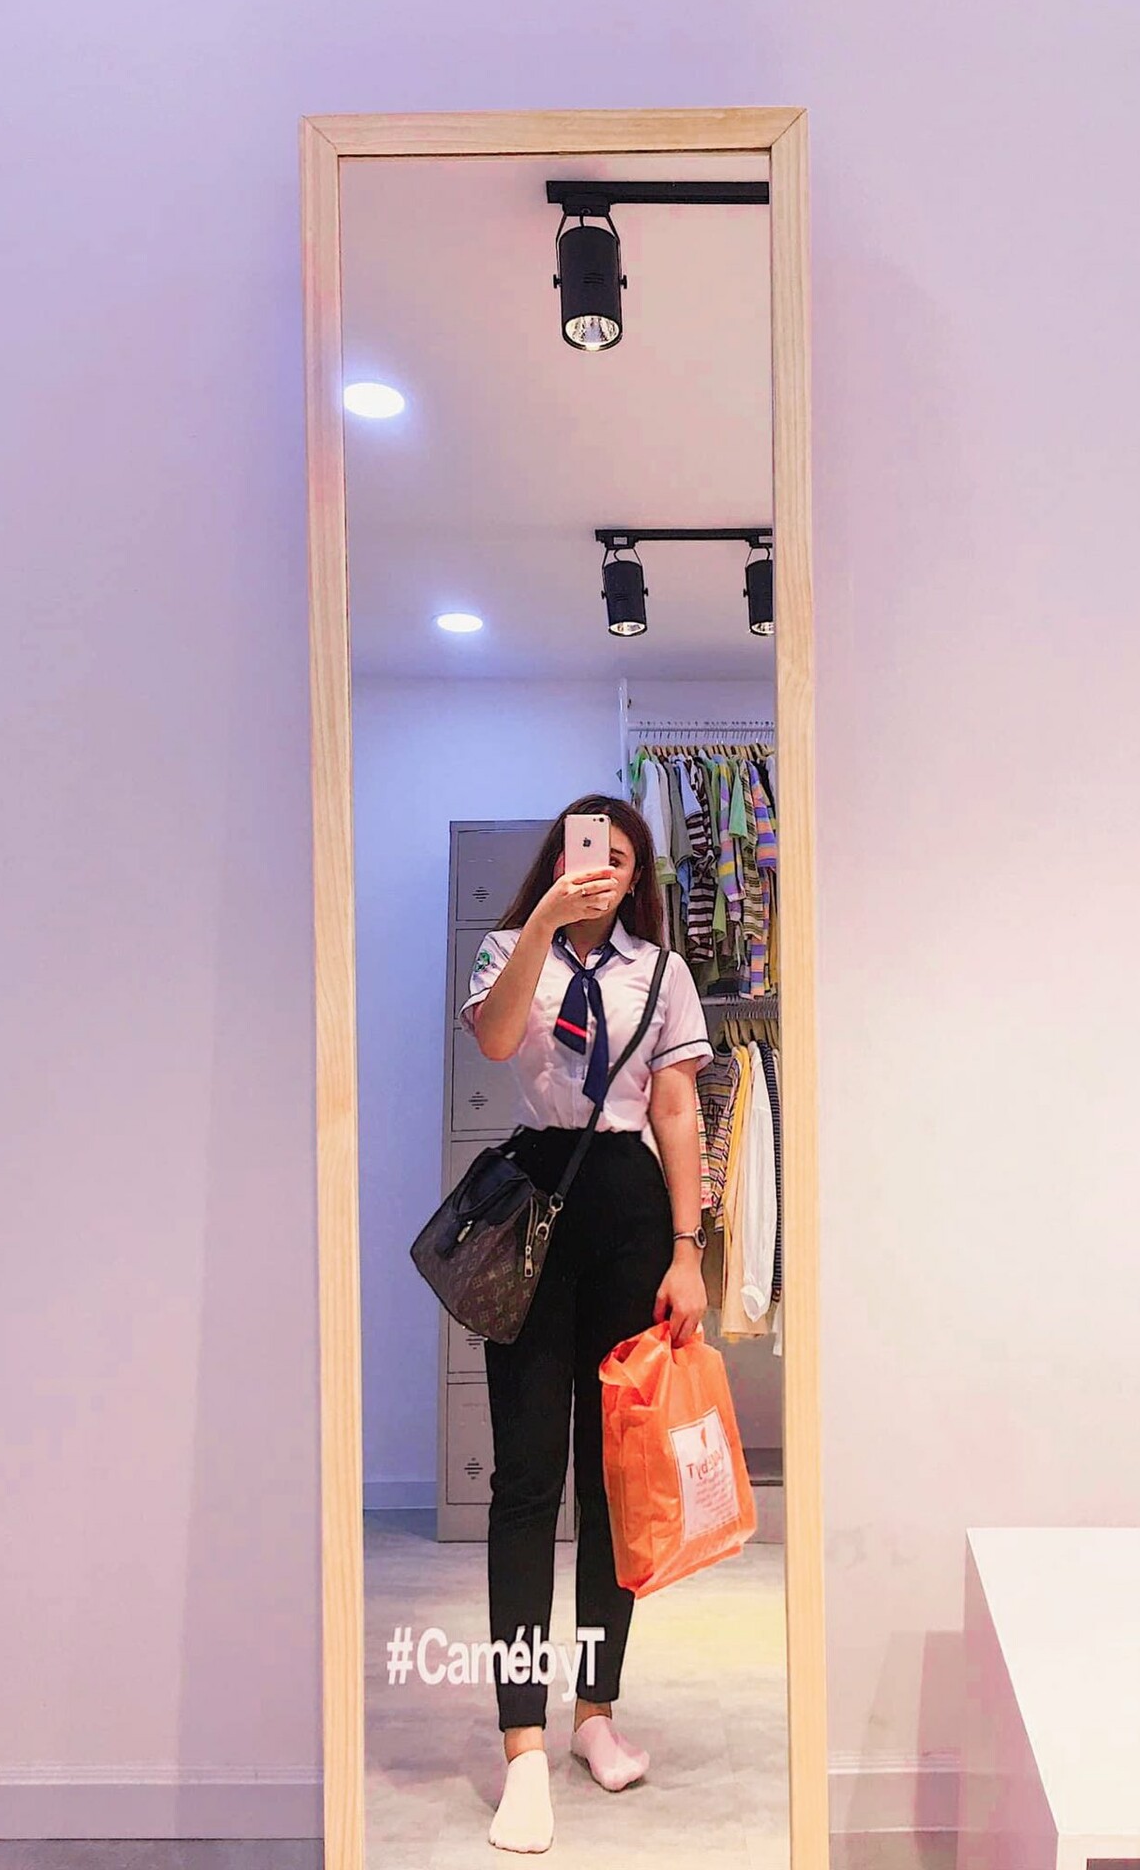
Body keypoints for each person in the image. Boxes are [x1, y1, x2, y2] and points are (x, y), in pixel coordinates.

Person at [459, 794, 713, 1853]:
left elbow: (676, 1108)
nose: (598, 867)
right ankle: (522, 1743)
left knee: (615, 1481)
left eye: (617, 856)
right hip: (532, 1200)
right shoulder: (504, 949)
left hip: (626, 1211)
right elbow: (495, 1040)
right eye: (582, 852)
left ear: (638, 871)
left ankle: (595, 1714)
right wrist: (542, 923)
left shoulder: (661, 970)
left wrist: (689, 1250)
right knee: (525, 1481)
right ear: (556, 859)